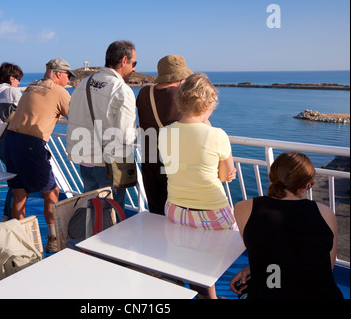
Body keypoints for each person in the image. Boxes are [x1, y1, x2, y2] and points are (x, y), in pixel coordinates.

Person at [158, 72, 237, 299]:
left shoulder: (164, 133)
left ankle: (203, 294)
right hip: (214, 216)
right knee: (236, 235)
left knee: (193, 255)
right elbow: (224, 175)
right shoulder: (217, 135)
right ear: (206, 104)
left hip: (175, 211)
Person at [230, 151, 343, 299]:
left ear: (272, 178)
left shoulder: (243, 208)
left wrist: (254, 268)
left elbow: (266, 249)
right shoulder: (326, 213)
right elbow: (327, 267)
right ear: (305, 186)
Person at [4, 58, 75, 254]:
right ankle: (53, 239)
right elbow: (76, 116)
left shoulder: (31, 87)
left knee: (19, 193)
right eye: (68, 76)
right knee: (51, 193)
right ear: (58, 73)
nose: (69, 81)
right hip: (30, 144)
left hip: (11, 140)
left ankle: (20, 242)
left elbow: (38, 109)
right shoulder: (60, 91)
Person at [66, 40, 137, 210]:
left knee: (91, 211)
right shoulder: (122, 89)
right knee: (112, 214)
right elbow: (126, 135)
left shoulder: (84, 83)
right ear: (123, 60)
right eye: (134, 63)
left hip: (84, 159)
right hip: (108, 164)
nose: (134, 68)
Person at [136, 55, 193, 215]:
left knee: (156, 213)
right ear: (181, 77)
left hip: (150, 161)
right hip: (174, 163)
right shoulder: (182, 96)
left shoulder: (144, 93)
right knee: (179, 214)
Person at [0, 62, 23, 221]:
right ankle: (11, 218)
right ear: (11, 78)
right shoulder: (12, 92)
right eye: (18, 79)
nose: (19, 83)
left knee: (15, 179)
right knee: (18, 182)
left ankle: (7, 216)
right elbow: (25, 112)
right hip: (12, 141)